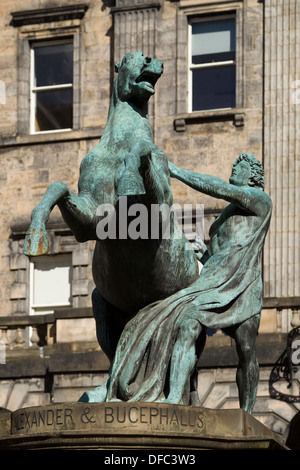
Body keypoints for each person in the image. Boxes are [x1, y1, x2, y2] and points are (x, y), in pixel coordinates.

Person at [105, 153, 272, 414]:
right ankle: (174, 398)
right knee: (186, 324)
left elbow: (218, 188)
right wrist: (199, 251)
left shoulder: (260, 201)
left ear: (251, 176)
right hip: (212, 282)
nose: (233, 169)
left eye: (238, 167)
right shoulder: (224, 217)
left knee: (246, 348)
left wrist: (175, 171)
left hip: (242, 283)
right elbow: (218, 254)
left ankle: (247, 413)